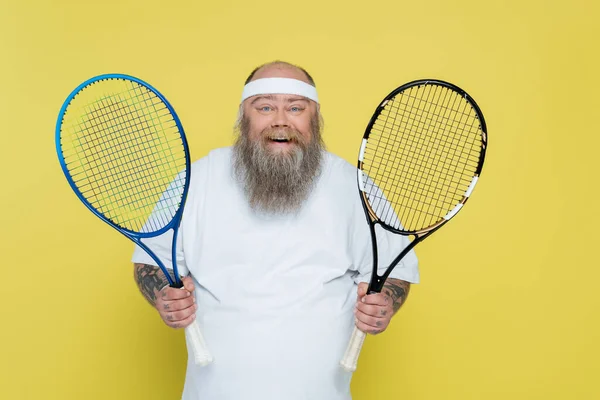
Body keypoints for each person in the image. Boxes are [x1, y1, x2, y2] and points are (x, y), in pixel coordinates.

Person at [132, 61, 419, 400]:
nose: (281, 120)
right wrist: (163, 296)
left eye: (295, 108)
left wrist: (385, 302)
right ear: (244, 117)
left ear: (315, 118)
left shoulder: (355, 187)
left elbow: (393, 271)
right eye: (265, 107)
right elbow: (151, 262)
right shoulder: (197, 180)